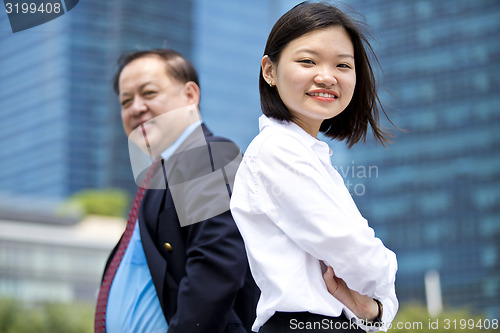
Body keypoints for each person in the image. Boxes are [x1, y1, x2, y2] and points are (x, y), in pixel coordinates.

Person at [230, 2, 398, 332]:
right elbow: (355, 249)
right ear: (270, 71)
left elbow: (364, 278)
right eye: (308, 61)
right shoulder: (275, 151)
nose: (326, 76)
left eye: (343, 65)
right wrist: (385, 279)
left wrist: (376, 311)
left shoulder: (311, 156)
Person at [95, 49, 259, 333]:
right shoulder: (162, 174)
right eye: (126, 100)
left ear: (190, 95)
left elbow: (215, 266)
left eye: (148, 93)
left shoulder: (200, 154)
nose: (136, 108)